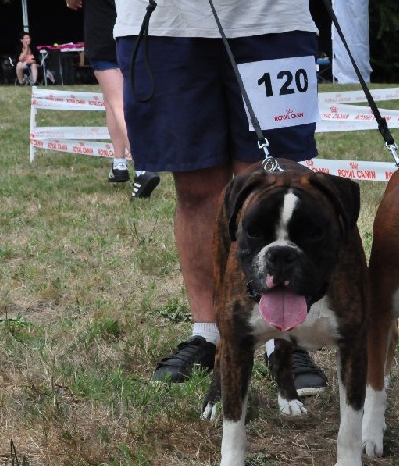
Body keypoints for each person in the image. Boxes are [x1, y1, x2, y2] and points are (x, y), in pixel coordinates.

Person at [113, 0, 328, 393]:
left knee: (273, 184)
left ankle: (281, 337)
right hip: (164, 27)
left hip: (272, 20)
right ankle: (207, 333)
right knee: (195, 189)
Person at [66, 0, 161, 199]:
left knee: (118, 103)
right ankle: (119, 164)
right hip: (132, 34)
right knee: (111, 101)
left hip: (102, 34)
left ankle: (143, 169)